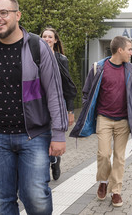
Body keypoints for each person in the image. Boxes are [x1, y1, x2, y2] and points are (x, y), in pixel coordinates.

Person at [0, 0, 68, 215]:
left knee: (36, 198)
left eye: (4, 12)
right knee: (1, 202)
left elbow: (54, 92)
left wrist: (59, 133)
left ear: (17, 15)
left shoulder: (37, 47)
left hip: (33, 136)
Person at [70, 36, 132, 207]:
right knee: (103, 154)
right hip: (104, 118)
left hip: (123, 120)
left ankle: (116, 191)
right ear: (120, 50)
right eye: (129, 49)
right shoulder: (99, 68)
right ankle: (103, 181)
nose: (131, 53)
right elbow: (86, 92)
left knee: (119, 157)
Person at [41, 27, 77, 180]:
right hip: (39, 104)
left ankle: (55, 161)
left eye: (50, 37)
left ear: (55, 40)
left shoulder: (61, 59)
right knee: (42, 136)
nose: (47, 39)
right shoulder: (33, 57)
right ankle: (45, 164)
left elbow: (68, 87)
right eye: (44, 36)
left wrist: (70, 110)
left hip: (57, 102)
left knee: (52, 134)